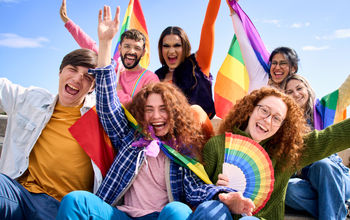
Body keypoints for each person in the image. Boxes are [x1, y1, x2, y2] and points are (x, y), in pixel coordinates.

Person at [56, 5, 257, 220]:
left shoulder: (181, 150)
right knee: (76, 200)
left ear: (174, 114)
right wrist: (105, 44)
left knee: (178, 210)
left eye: (163, 110)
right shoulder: (130, 138)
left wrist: (225, 196)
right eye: (149, 110)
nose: (157, 116)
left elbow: (197, 190)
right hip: (121, 215)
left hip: (161, 215)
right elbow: (107, 105)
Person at [202, 86, 350, 220]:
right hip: (220, 214)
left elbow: (331, 137)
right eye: (264, 110)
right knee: (211, 210)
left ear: (282, 127)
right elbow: (196, 191)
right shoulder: (216, 146)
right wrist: (216, 192)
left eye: (277, 118)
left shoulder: (285, 156)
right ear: (250, 109)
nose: (267, 120)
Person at [0, 45, 103, 218]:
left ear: (92, 87)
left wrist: (105, 42)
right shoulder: (32, 99)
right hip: (19, 193)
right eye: (72, 70)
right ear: (60, 72)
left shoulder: (99, 117)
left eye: (87, 77)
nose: (77, 79)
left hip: (60, 208)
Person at [60, 0, 159, 104]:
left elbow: (146, 112)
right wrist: (67, 22)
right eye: (127, 46)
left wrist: (118, 90)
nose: (131, 51)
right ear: (120, 48)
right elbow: (90, 45)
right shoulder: (114, 69)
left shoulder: (150, 78)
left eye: (137, 48)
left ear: (143, 52)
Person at [284, 74, 350, 220]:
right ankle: (341, 207)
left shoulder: (324, 108)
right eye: (289, 92)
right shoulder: (284, 122)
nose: (295, 94)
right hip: (307, 178)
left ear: (308, 90)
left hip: (333, 172)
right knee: (289, 190)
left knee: (322, 164)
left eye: (299, 88)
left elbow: (347, 89)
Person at [154, 0, 220, 119]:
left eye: (177, 45)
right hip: (166, 133)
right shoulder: (156, 76)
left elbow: (209, 23)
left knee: (195, 110)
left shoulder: (198, 63)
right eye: (166, 46)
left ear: (185, 47)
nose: (171, 51)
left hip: (199, 133)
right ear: (160, 48)